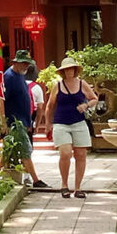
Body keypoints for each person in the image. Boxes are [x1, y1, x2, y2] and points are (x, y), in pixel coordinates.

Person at [43, 55, 99, 199]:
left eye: (71, 69)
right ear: (63, 72)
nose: (69, 72)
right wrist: (48, 123)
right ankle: (64, 184)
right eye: (66, 70)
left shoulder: (82, 84)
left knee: (81, 155)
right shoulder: (58, 86)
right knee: (65, 153)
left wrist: (86, 105)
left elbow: (94, 98)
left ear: (75, 70)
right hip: (61, 123)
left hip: (79, 122)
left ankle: (78, 187)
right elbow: (50, 105)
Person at [2, 50, 48, 187]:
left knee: (7, 152)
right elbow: (1, 100)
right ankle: (36, 180)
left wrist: (29, 122)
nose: (26, 66)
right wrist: (3, 121)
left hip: (23, 120)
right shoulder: (8, 77)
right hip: (14, 121)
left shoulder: (20, 75)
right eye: (24, 63)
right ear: (16, 62)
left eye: (28, 64)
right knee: (25, 151)